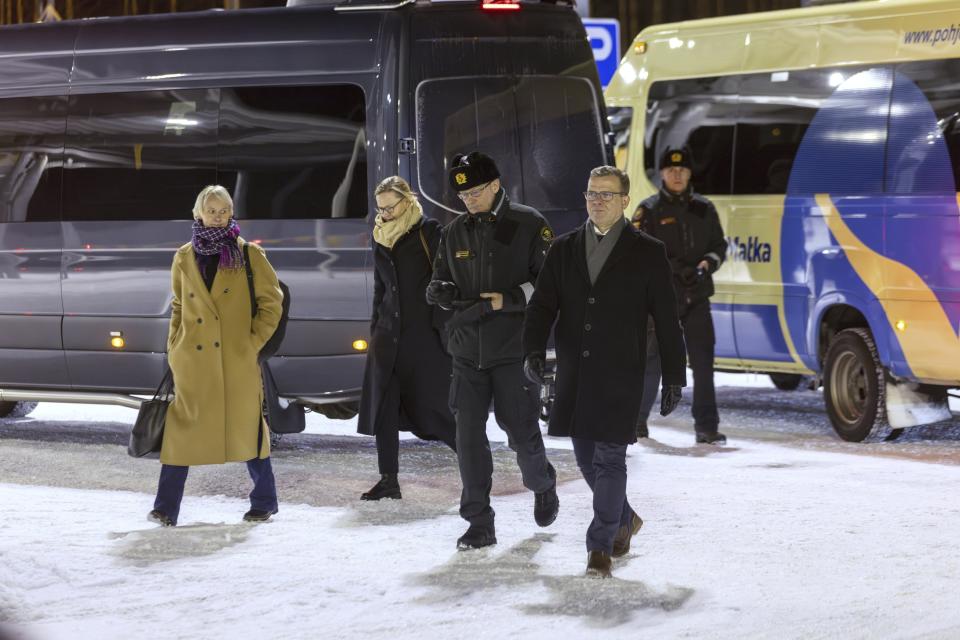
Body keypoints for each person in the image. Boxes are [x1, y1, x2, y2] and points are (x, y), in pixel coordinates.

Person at [523, 165, 687, 578]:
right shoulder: (563, 248)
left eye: (606, 194)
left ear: (625, 201)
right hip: (576, 370)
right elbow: (542, 306)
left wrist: (674, 375)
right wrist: (533, 352)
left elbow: (667, 318)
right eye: (592, 193)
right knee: (585, 459)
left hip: (621, 370)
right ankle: (625, 517)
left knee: (611, 457)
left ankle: (600, 546)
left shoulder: (647, 251)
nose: (597, 201)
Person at [426, 151, 559, 550]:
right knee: (468, 440)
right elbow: (440, 277)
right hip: (466, 352)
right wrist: (440, 291)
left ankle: (542, 482)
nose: (469, 199)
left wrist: (512, 298)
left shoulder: (530, 224)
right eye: (463, 194)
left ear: (497, 184)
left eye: (476, 191)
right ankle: (479, 523)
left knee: (520, 433)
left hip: (512, 350)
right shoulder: (453, 233)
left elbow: (551, 283)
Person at [148, 185, 283, 527]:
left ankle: (264, 502)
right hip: (193, 362)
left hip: (235, 360)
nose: (219, 216)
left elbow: (272, 302)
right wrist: (174, 346)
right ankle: (165, 508)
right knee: (181, 433)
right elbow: (178, 305)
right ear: (199, 213)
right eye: (212, 210)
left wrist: (252, 343)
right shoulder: (183, 256)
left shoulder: (248, 254)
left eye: (224, 210)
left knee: (248, 430)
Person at [357, 177, 457, 500]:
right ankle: (389, 480)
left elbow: (448, 280)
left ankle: (474, 465)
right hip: (388, 338)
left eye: (391, 206)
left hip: (423, 338)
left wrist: (441, 323)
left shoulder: (430, 232)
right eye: (380, 207)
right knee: (384, 408)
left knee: (437, 408)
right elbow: (381, 288)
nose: (385, 213)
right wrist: (375, 328)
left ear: (407, 201)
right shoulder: (379, 237)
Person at [633, 147, 728, 445]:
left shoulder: (704, 208)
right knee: (653, 364)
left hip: (697, 296)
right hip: (662, 301)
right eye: (671, 170)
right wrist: (674, 269)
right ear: (662, 173)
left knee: (703, 364)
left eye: (682, 170)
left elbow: (719, 246)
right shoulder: (649, 210)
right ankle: (635, 422)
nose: (677, 175)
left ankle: (707, 427)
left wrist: (706, 264)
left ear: (689, 174)